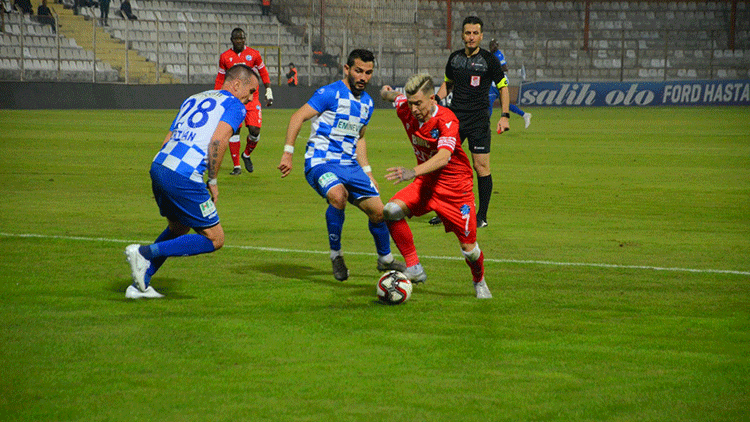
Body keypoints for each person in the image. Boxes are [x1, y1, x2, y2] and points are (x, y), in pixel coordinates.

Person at [124, 64, 259, 299]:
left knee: (178, 227)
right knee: (215, 238)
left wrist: (165, 174)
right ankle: (145, 253)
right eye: (250, 91)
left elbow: (169, 136)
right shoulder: (235, 105)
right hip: (184, 175)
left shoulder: (193, 98)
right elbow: (217, 142)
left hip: (160, 165)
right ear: (237, 84)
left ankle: (140, 285)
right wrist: (213, 180)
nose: (250, 99)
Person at [278, 49, 405, 282]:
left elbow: (360, 138)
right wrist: (288, 153)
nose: (363, 77)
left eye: (368, 73)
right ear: (347, 69)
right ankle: (336, 255)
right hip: (320, 162)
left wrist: (367, 172)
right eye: (358, 71)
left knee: (380, 211)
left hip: (350, 166)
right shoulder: (329, 93)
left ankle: (385, 259)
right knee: (338, 196)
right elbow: (297, 117)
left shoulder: (367, 103)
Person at [379, 74, 492, 299]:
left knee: (469, 250)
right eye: (411, 103)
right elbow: (394, 97)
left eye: (418, 103)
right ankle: (414, 267)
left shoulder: (446, 120)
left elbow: (443, 157)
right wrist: (385, 93)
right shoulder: (406, 107)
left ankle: (479, 280)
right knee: (390, 210)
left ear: (432, 99)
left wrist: (412, 172)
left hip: (455, 189)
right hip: (426, 183)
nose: (414, 109)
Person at [434, 16, 510, 229]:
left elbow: (503, 87)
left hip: (478, 120)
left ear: (481, 36)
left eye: (475, 33)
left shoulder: (489, 60)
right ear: (462, 35)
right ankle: (444, 211)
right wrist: (436, 100)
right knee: (444, 163)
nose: (471, 37)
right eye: (468, 33)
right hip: (454, 119)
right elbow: (447, 84)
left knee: (481, 166)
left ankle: (482, 216)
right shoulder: (455, 58)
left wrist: (505, 115)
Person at [214, 27, 273, 176]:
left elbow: (263, 72)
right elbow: (221, 78)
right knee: (235, 130)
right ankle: (237, 166)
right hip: (234, 99)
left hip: (252, 98)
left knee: (255, 131)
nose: (239, 41)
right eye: (236, 38)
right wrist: (216, 95)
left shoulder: (254, 54)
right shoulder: (225, 57)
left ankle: (246, 154)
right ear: (232, 40)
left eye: (242, 38)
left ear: (245, 39)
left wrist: (268, 89)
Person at [488, 38, 531, 128]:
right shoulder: (491, 55)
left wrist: (494, 71)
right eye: (491, 45)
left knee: (489, 101)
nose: (492, 47)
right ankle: (525, 115)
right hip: (495, 81)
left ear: (497, 46)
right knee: (505, 104)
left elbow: (505, 68)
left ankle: (485, 124)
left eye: (494, 45)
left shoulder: (498, 55)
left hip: (497, 81)